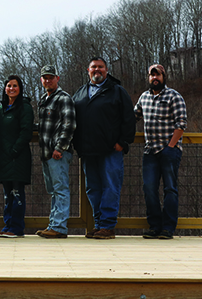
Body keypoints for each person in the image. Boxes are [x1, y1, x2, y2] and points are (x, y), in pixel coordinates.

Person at [72, 57, 135, 239]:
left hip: (111, 150)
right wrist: (77, 145)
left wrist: (122, 142)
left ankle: (108, 226)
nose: (97, 70)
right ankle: (98, 224)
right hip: (88, 151)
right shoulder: (80, 93)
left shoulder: (117, 91)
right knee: (92, 188)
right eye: (94, 67)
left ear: (107, 70)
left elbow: (128, 119)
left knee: (110, 187)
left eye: (101, 67)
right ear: (88, 70)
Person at [134, 64, 187, 240]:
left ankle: (168, 228)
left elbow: (181, 125)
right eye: (152, 75)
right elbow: (133, 117)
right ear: (148, 77)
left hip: (169, 150)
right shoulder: (144, 97)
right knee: (149, 189)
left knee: (170, 189)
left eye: (158, 75)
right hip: (150, 151)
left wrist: (170, 147)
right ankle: (154, 226)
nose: (154, 78)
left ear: (164, 77)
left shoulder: (174, 96)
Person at [35, 65, 76, 239]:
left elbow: (69, 124)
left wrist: (60, 147)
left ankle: (59, 227)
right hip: (46, 153)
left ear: (57, 78)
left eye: (51, 77)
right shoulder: (44, 99)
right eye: (44, 77)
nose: (47, 80)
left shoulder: (63, 98)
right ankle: (53, 224)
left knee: (60, 189)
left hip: (57, 152)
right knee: (53, 190)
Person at [0, 75, 34, 238]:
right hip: (3, 159)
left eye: (15, 86)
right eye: (9, 85)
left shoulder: (24, 107)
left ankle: (16, 228)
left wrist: (14, 150)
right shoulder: (1, 110)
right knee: (7, 194)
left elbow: (26, 132)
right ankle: (8, 225)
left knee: (17, 193)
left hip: (18, 158)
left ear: (20, 88)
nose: (11, 88)